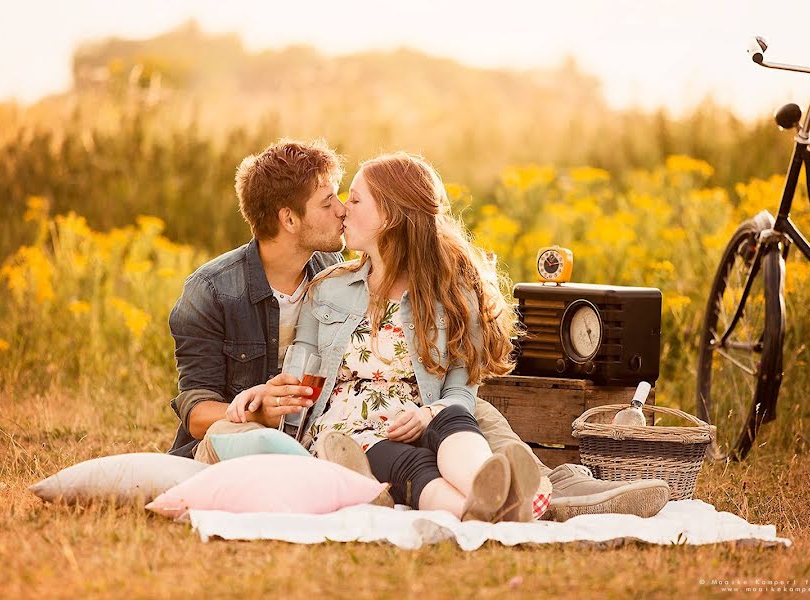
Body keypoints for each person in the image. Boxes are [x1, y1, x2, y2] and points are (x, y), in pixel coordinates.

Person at [168, 139, 670, 521]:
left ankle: (564, 491)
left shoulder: (348, 270)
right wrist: (262, 404)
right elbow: (199, 406)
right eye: (330, 202)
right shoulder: (220, 291)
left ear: (392, 218)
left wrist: (433, 408)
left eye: (350, 200)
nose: (342, 210)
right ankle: (518, 500)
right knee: (426, 439)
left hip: (418, 407)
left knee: (468, 416)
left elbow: (455, 382)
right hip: (305, 422)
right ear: (288, 220)